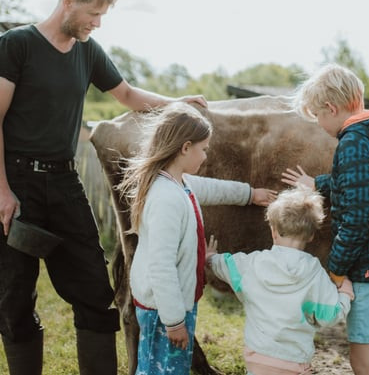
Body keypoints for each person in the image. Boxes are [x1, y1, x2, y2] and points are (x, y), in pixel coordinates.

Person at [0, 0, 208, 375]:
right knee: (14, 299)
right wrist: (0, 189)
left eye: (102, 16)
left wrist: (176, 103)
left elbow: (126, 94)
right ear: (68, 2)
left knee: (95, 293)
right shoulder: (17, 45)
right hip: (15, 183)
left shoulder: (87, 50)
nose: (96, 24)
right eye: (93, 14)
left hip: (64, 182)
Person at [117, 102, 278, 375]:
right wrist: (174, 321)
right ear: (185, 148)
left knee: (167, 368)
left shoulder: (178, 182)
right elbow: (161, 265)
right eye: (203, 149)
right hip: (163, 310)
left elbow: (213, 189)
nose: (205, 156)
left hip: (172, 304)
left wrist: (250, 194)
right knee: (162, 371)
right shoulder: (166, 198)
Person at [280, 63, 369, 375]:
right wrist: (319, 184)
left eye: (318, 116)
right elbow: (366, 185)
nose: (320, 124)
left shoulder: (352, 143)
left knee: (364, 363)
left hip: (368, 272)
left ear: (331, 107)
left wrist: (336, 270)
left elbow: (355, 221)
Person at [207, 187, 354, 375]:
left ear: (273, 231)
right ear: (310, 235)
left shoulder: (253, 263)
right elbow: (330, 315)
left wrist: (210, 258)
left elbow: (226, 265)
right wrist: (345, 293)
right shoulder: (314, 272)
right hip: (294, 363)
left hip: (258, 359)